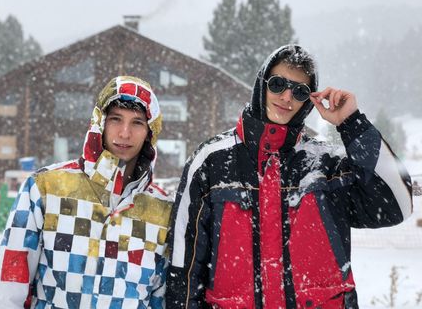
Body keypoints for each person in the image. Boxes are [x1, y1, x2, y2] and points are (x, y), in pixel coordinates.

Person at [166, 45, 413, 308]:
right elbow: (184, 268)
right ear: (261, 85)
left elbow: (397, 203)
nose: (286, 97)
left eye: (300, 91)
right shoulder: (211, 161)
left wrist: (351, 123)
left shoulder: (325, 165)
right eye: (278, 84)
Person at [0, 76, 172, 308]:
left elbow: (160, 296)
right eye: (116, 119)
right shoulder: (47, 187)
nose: (125, 133)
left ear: (150, 132)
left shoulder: (164, 209)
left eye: (137, 123)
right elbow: (10, 279)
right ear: (100, 122)